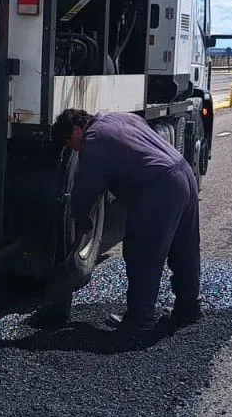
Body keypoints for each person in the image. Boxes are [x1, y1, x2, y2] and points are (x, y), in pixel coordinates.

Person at [48, 108, 202, 332]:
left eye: (72, 143)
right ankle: (190, 307)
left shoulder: (94, 140)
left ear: (76, 129)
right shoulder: (118, 117)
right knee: (184, 246)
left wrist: (80, 220)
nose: (75, 149)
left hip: (158, 187)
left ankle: (140, 320)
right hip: (183, 173)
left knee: (142, 252)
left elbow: (85, 189)